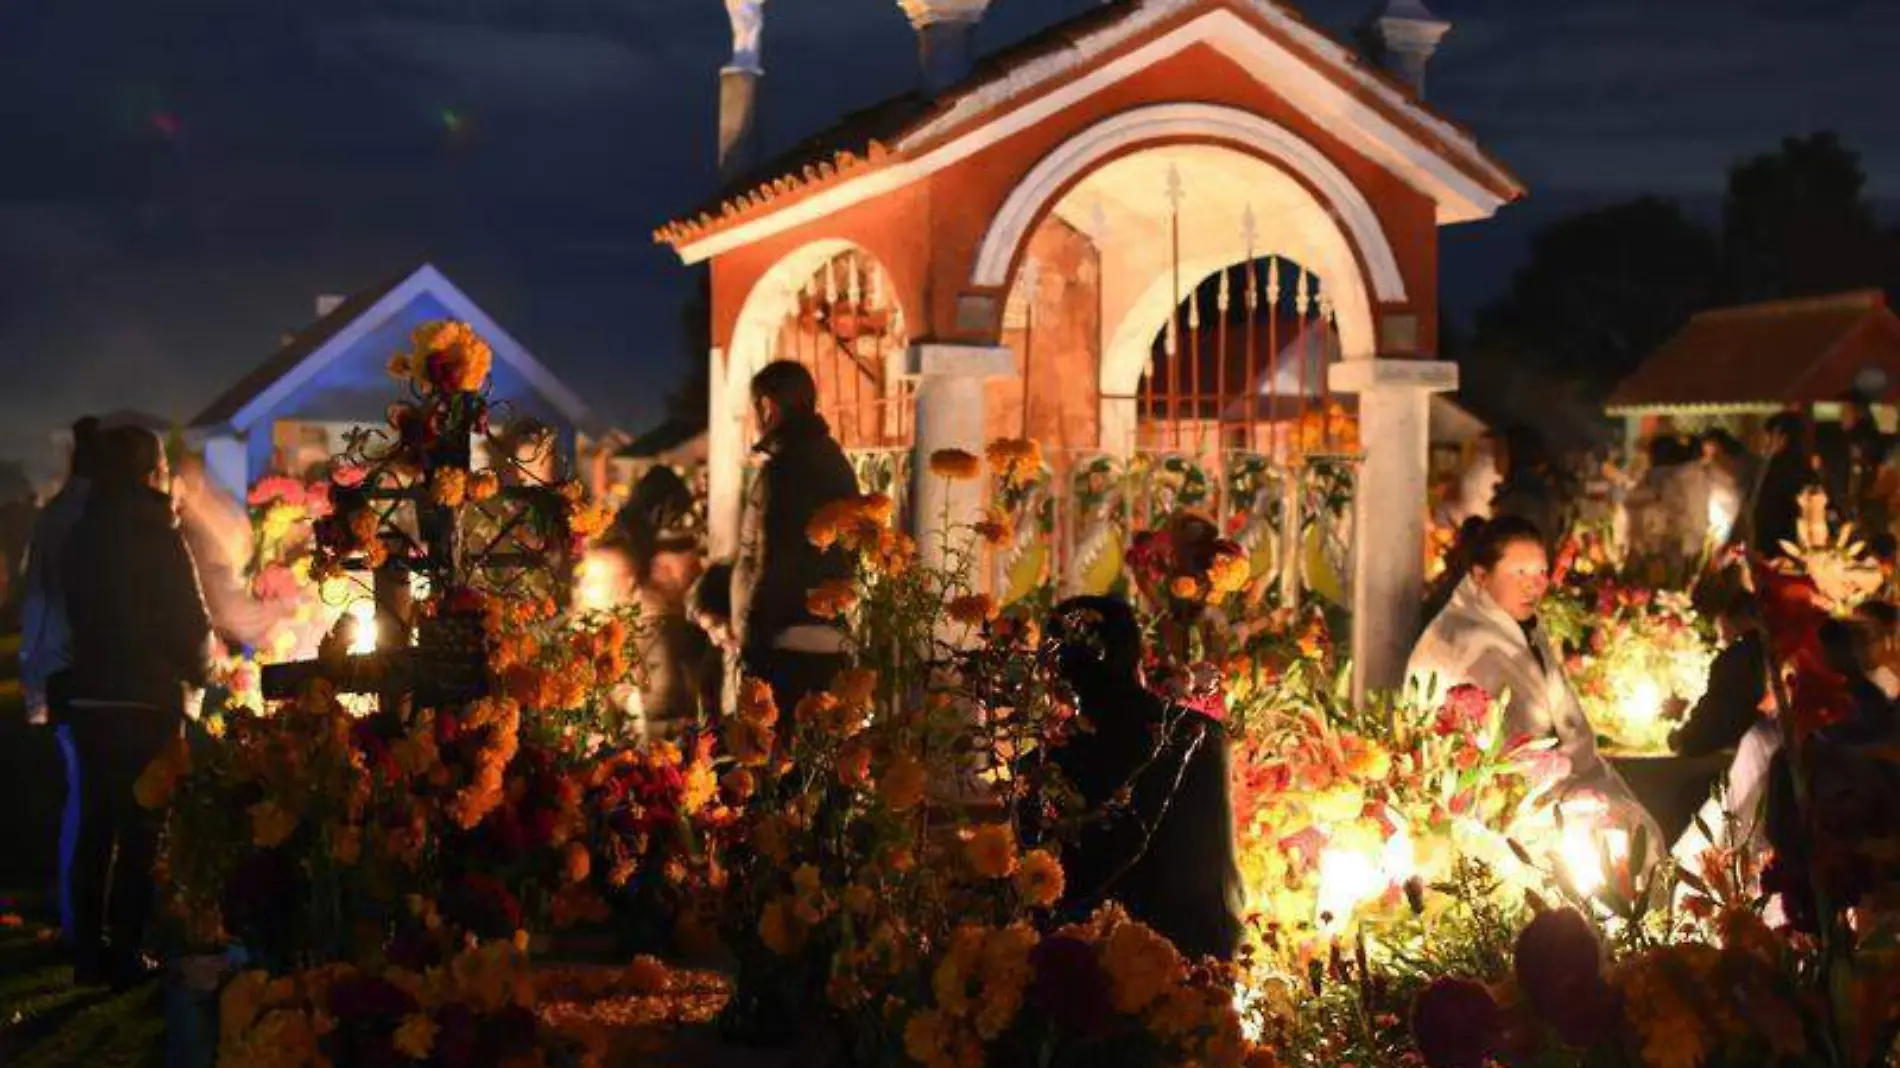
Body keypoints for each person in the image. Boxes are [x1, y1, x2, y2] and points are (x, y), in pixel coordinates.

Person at [1406, 516, 1659, 850]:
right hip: (1497, 806)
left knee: (1630, 830)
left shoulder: (1522, 626)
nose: (1534, 585)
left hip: (1560, 780)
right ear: (1481, 577)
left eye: (1540, 572)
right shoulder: (1462, 641)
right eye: (1519, 573)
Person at [62, 426, 211, 988]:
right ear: (152, 472)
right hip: (146, 698)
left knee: (95, 825)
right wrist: (200, 672)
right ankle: (123, 951)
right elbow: (189, 620)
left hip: (91, 693)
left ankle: (86, 953)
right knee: (142, 828)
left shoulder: (83, 532)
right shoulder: (159, 535)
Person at [1023, 596, 1244, 961]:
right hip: (1185, 967)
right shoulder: (1198, 735)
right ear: (1138, 656)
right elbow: (1219, 885)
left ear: (1056, 672)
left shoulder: (1042, 763)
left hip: (1078, 971)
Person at [730, 361, 859, 725]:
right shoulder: (836, 462)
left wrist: (754, 643)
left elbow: (773, 562)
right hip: (832, 638)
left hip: (785, 645)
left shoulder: (783, 471)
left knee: (783, 767)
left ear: (768, 407)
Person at [18, 417, 102, 944]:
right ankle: (92, 917)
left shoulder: (53, 518)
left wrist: (36, 683)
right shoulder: (97, 516)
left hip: (66, 673)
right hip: (97, 669)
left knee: (82, 797)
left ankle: (78, 916)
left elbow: (37, 602)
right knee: (102, 802)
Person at [618, 466, 716, 742]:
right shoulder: (666, 543)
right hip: (660, 627)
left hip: (656, 627)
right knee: (669, 715)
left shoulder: (638, 538)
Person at [172, 453, 296, 649]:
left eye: (201, 481)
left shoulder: (222, 514)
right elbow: (235, 614)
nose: (201, 488)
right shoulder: (196, 543)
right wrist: (286, 605)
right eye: (191, 485)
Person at [1669, 587, 1770, 758]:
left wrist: (1685, 737)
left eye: (1720, 625)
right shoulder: (1761, 650)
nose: (1720, 635)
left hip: (1734, 738)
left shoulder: (1738, 657)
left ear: (1737, 618)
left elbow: (1717, 709)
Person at [1746, 411, 1814, 555]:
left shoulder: (1784, 467)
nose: (1767, 442)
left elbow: (1773, 506)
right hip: (1783, 541)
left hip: (1780, 542)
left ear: (1784, 438)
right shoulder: (1798, 465)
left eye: (1771, 437)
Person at [1489, 425, 1565, 544]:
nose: (1494, 456)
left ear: (1516, 454)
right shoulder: (1519, 492)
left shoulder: (1522, 499)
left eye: (1500, 450)